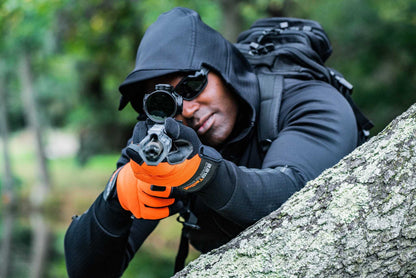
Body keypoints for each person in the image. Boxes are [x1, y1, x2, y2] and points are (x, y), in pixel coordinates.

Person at [64, 7, 359, 277]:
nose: (188, 111)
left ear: (222, 68)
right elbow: (87, 272)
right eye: (168, 104)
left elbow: (294, 194)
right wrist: (114, 199)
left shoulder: (312, 101)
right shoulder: (165, 139)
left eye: (192, 86)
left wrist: (201, 173)